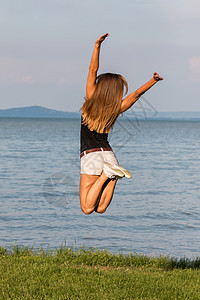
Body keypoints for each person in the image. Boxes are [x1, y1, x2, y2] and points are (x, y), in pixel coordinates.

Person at [79, 33, 163, 215]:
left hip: (91, 155)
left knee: (87, 209)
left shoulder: (90, 99)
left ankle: (108, 174)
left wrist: (97, 45)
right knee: (99, 208)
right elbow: (136, 94)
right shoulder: (117, 107)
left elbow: (92, 70)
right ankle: (112, 174)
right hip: (109, 156)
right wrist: (153, 81)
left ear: (100, 86)